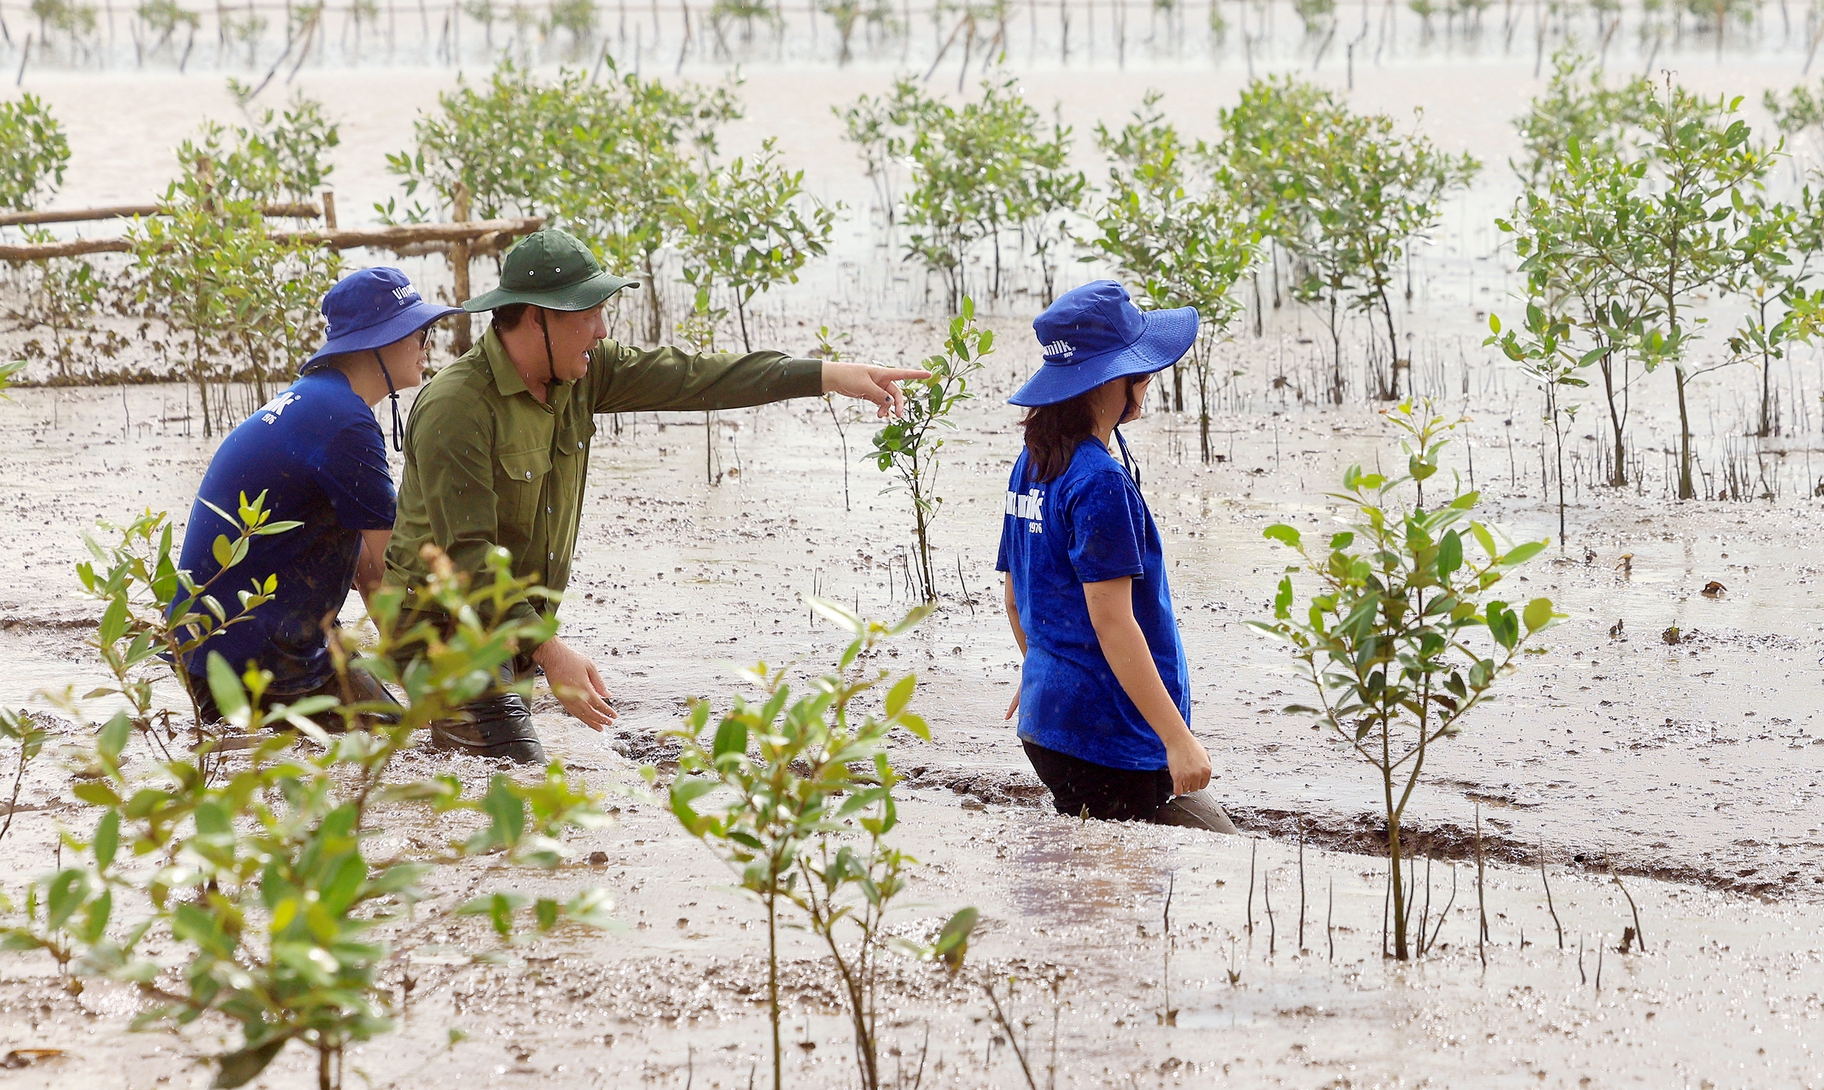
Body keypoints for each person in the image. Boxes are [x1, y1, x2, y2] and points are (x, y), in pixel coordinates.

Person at [383, 227, 923, 765]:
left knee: (487, 775)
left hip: (510, 619)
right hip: (444, 625)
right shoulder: (456, 407)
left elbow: (697, 378)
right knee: (509, 778)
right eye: (585, 315)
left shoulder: (584, 374)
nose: (600, 330)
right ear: (533, 316)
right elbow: (468, 562)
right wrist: (552, 653)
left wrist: (829, 375)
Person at [996, 280, 1235, 832]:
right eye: (1142, 370)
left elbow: (1016, 595)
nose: (1148, 382)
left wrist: (1046, 666)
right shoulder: (1099, 481)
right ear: (1111, 381)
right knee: (1130, 895)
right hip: (1107, 737)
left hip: (1048, 722)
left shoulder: (1033, 462)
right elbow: (1113, 622)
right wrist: (1179, 739)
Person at [171, 265, 455, 724]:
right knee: (375, 752)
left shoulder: (324, 401)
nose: (427, 347)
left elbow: (368, 572)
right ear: (378, 341)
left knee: (393, 733)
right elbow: (393, 568)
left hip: (232, 635)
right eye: (420, 334)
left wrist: (411, 684)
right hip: (246, 649)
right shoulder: (345, 422)